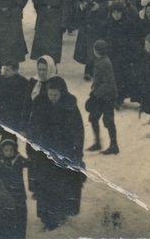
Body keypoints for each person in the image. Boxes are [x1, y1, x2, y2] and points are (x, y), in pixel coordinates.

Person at [26, 77, 85, 231]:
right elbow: (32, 128)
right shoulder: (40, 104)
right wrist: (32, 150)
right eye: (50, 95)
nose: (53, 98)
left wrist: (75, 154)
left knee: (61, 188)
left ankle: (60, 217)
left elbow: (78, 132)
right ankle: (47, 218)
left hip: (63, 155)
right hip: (44, 156)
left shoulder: (70, 105)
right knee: (46, 188)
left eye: (56, 95)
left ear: (62, 93)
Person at [30, 0, 72, 64]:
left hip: (55, 18)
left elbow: (66, 7)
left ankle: (53, 66)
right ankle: (42, 65)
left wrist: (64, 23)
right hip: (43, 17)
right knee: (41, 43)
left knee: (53, 44)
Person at [85, 40, 119, 155]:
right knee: (94, 117)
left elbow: (107, 83)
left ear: (96, 51)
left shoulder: (104, 63)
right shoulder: (100, 60)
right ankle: (98, 142)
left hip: (107, 96)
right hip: (102, 95)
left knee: (108, 120)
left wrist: (95, 94)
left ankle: (114, 146)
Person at [0, 62, 30, 142]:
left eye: (7, 70)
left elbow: (27, 102)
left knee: (10, 140)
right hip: (2, 115)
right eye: (4, 69)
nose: (4, 72)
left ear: (15, 71)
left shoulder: (23, 83)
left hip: (15, 116)